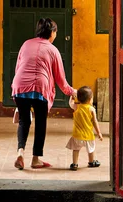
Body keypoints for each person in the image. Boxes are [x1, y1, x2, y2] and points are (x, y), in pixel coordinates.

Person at [11, 17, 76, 170]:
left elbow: (18, 68)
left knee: (24, 121)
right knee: (40, 122)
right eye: (56, 32)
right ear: (52, 32)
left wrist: (18, 87)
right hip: (40, 87)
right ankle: (35, 159)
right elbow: (61, 80)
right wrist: (73, 92)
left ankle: (20, 153)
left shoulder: (26, 44)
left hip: (20, 85)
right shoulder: (53, 50)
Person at [66, 85, 103, 170]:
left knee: (76, 150)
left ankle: (74, 164)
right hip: (88, 135)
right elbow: (95, 122)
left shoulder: (76, 107)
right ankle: (91, 161)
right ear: (90, 100)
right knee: (91, 149)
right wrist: (99, 133)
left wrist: (72, 97)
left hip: (77, 135)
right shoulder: (91, 109)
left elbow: (71, 104)